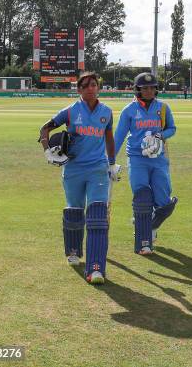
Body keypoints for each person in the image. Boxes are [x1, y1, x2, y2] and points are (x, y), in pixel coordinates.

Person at [38, 72, 121, 285]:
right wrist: (47, 150)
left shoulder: (106, 112)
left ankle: (95, 269)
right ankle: (73, 250)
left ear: (98, 88)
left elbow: (109, 139)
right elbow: (45, 128)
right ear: (79, 90)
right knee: (74, 210)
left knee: (97, 216)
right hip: (73, 169)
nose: (90, 89)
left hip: (97, 169)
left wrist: (112, 163)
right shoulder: (71, 111)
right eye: (85, 86)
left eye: (93, 85)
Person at [114, 72, 178, 255]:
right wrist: (109, 161)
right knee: (142, 197)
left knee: (164, 201)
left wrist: (161, 135)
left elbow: (172, 128)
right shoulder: (129, 111)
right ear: (138, 90)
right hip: (137, 158)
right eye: (145, 88)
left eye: (152, 87)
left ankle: (149, 225)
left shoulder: (163, 108)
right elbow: (118, 137)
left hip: (159, 159)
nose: (149, 91)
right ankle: (144, 240)